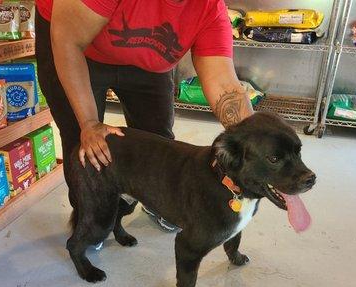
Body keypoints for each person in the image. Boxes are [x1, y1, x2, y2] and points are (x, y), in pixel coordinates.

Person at [35, 0, 253, 231]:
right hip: (75, 42)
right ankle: (91, 220)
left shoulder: (210, 9)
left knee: (158, 139)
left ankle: (156, 203)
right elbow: (68, 41)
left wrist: (256, 144)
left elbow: (223, 84)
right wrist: (89, 122)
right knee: (85, 142)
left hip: (147, 50)